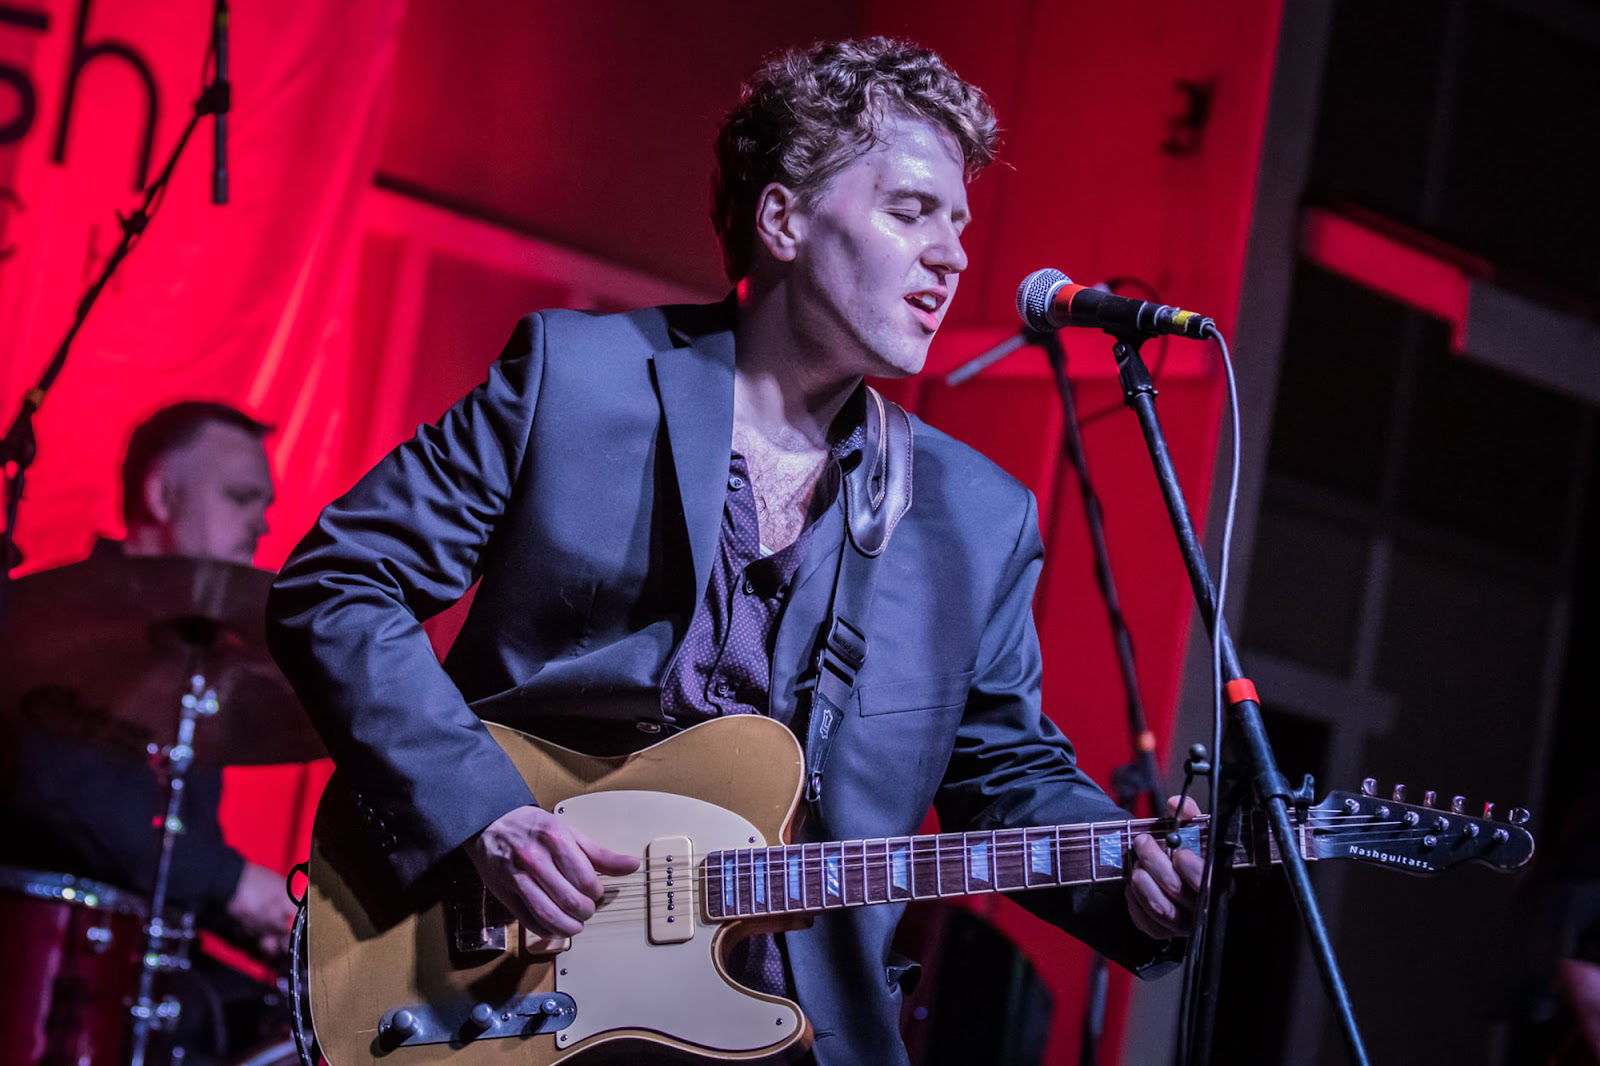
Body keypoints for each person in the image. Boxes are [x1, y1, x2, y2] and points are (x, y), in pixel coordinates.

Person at [266, 37, 1201, 1064]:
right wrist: (482, 816)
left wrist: (1131, 873)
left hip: (800, 1030)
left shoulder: (973, 518)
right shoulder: (579, 382)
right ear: (783, 219)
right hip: (495, 988)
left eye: (960, 223)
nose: (954, 256)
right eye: (909, 211)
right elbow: (339, 583)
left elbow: (1007, 771)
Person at [0, 402, 298, 1060]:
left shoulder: (205, 662)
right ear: (162, 494)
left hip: (146, 970)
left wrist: (287, 929)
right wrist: (231, 883)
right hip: (38, 975)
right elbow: (50, 795)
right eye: (242, 496)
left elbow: (176, 865)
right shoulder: (50, 627)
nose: (264, 520)